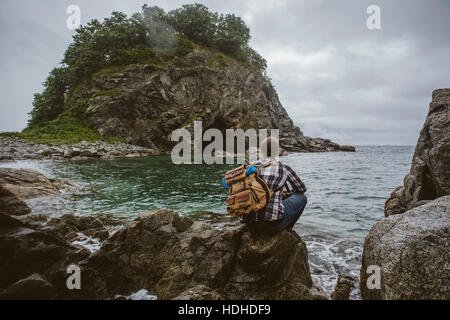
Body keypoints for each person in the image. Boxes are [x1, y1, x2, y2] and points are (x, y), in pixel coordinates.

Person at [244, 137, 307, 233]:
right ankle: (288, 230)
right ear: (277, 151)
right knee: (302, 198)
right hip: (271, 226)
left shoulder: (250, 167)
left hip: (249, 223)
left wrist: (277, 192)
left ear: (261, 151)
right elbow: (301, 189)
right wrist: (286, 192)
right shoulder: (283, 167)